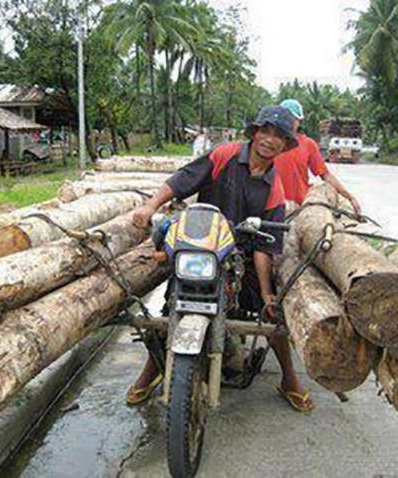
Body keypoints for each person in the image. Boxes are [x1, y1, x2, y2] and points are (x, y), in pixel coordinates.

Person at [128, 106, 314, 413]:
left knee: (271, 312)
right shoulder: (224, 155)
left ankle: (290, 379)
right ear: (254, 132)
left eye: (278, 136)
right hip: (199, 250)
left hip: (240, 257)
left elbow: (265, 247)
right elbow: (182, 180)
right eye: (265, 131)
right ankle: (152, 371)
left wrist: (267, 290)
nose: (269, 139)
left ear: (285, 145)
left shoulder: (274, 189)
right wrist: (149, 206)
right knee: (172, 304)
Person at [274, 99, 361, 213]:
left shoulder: (308, 144)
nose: (288, 122)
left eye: (293, 118)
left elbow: (325, 175)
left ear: (299, 121)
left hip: (297, 208)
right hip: (271, 206)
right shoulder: (268, 141)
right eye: (285, 117)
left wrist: (349, 197)